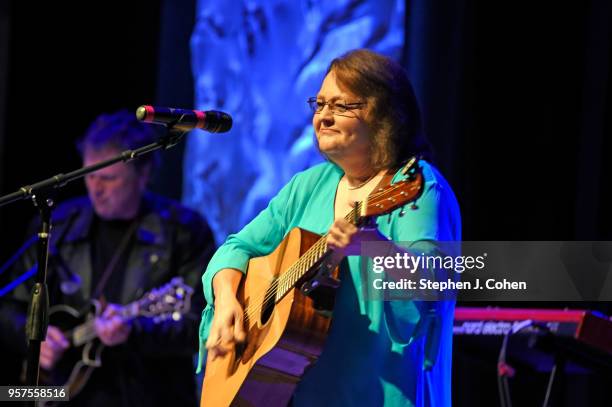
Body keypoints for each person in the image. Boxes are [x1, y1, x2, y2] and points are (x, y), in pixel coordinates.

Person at [198, 49, 461, 406]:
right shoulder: (310, 185)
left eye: (341, 105)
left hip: (385, 394)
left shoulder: (416, 186)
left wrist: (371, 245)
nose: (323, 116)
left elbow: (435, 280)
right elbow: (236, 248)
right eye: (319, 104)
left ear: (384, 116)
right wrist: (227, 299)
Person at [0, 110, 215, 406]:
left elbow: (203, 327)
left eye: (109, 178)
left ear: (144, 174)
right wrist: (33, 336)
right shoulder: (60, 224)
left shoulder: (185, 231)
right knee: (7, 397)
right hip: (59, 395)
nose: (96, 189)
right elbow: (8, 305)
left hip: (150, 397)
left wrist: (135, 331)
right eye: (89, 175)